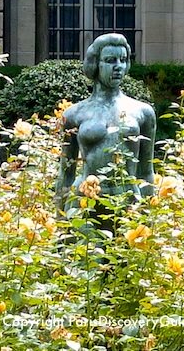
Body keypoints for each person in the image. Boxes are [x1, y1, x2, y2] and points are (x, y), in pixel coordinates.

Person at [55, 33, 156, 231]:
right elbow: (66, 172)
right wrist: (59, 219)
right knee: (84, 258)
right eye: (110, 61)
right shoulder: (75, 113)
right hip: (84, 202)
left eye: (123, 60)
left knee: (125, 260)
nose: (118, 66)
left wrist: (148, 217)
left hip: (127, 200)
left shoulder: (142, 112)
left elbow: (146, 171)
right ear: (96, 64)